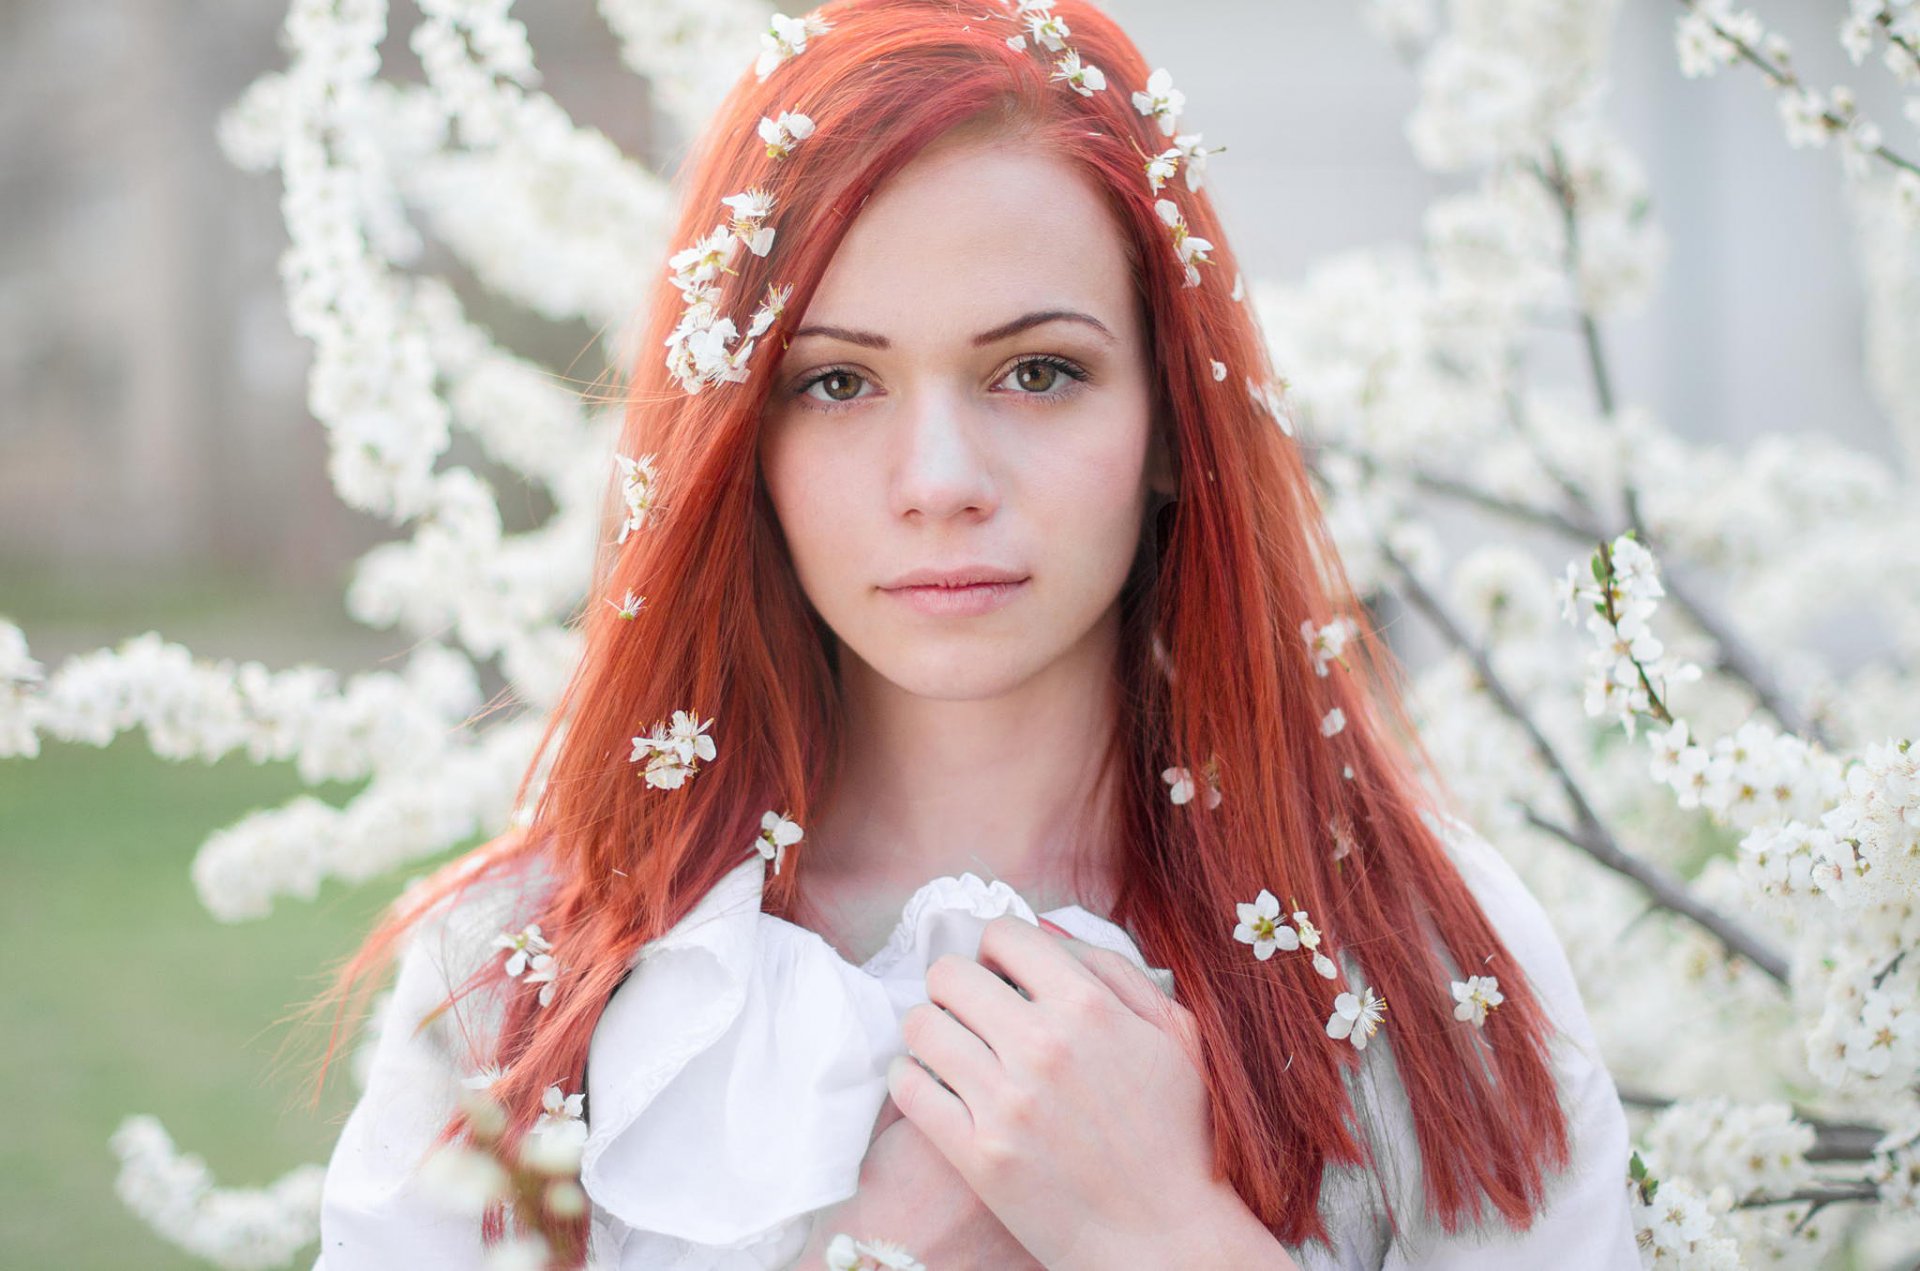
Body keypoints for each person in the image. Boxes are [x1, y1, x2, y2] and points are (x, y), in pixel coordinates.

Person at [304, 1, 1642, 1267]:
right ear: (738, 441)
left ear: (1173, 419)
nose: (938, 477)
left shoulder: (1418, 968)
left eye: (1039, 372)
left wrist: (1163, 1237)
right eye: (837, 382)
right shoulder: (526, 977)